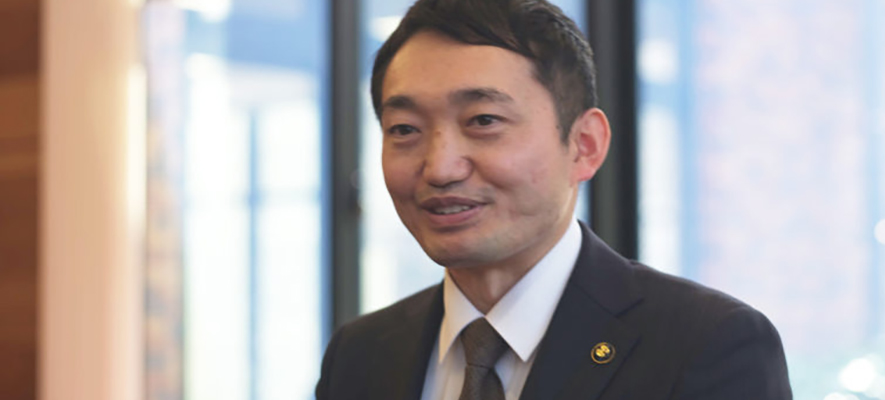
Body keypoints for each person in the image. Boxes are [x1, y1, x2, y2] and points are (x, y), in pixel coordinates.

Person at [315, 0, 792, 398]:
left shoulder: (705, 344)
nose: (440, 168)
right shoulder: (360, 355)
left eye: (483, 121)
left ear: (584, 145)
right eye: (404, 129)